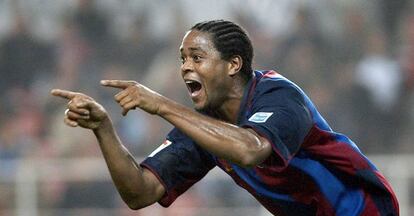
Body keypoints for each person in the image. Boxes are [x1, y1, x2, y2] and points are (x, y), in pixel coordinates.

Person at [51, 20, 399, 215]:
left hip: (365, 210)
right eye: (182, 58)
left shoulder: (280, 95)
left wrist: (161, 105)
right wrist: (104, 130)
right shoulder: (201, 126)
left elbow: (250, 149)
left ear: (233, 64)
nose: (186, 66)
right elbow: (140, 193)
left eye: (197, 57)